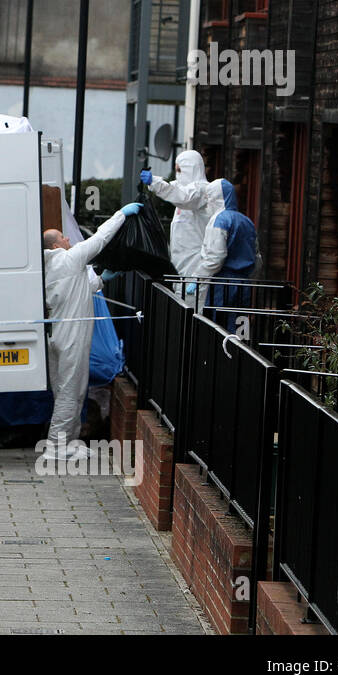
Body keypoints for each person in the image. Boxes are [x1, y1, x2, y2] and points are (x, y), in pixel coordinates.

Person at [42, 201, 143, 458]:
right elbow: (101, 238)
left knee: (67, 388)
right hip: (71, 336)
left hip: (59, 335)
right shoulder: (69, 259)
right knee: (70, 390)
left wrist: (101, 280)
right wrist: (121, 213)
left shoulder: (53, 266)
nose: (68, 239)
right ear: (56, 245)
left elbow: (79, 290)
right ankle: (57, 447)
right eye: (64, 237)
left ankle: (69, 441)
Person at [192, 179, 258, 332]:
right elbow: (257, 257)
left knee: (217, 329)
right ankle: (239, 356)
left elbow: (215, 257)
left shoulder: (219, 220)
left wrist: (198, 277)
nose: (207, 202)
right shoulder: (247, 221)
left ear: (216, 197)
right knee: (240, 329)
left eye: (209, 197)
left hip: (222, 282)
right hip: (244, 283)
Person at [139, 149, 214, 279]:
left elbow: (183, 196)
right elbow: (172, 189)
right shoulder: (182, 189)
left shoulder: (202, 190)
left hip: (195, 260)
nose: (177, 175)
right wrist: (155, 184)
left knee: (192, 297)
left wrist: (155, 183)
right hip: (180, 260)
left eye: (180, 170)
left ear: (191, 169)